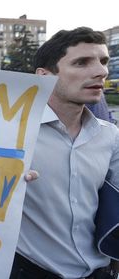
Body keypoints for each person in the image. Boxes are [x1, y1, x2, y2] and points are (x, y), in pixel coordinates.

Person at [10, 27, 119, 279]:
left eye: (103, 61)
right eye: (81, 62)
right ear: (44, 76)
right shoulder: (10, 133)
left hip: (99, 272)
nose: (101, 71)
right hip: (30, 270)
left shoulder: (110, 136)